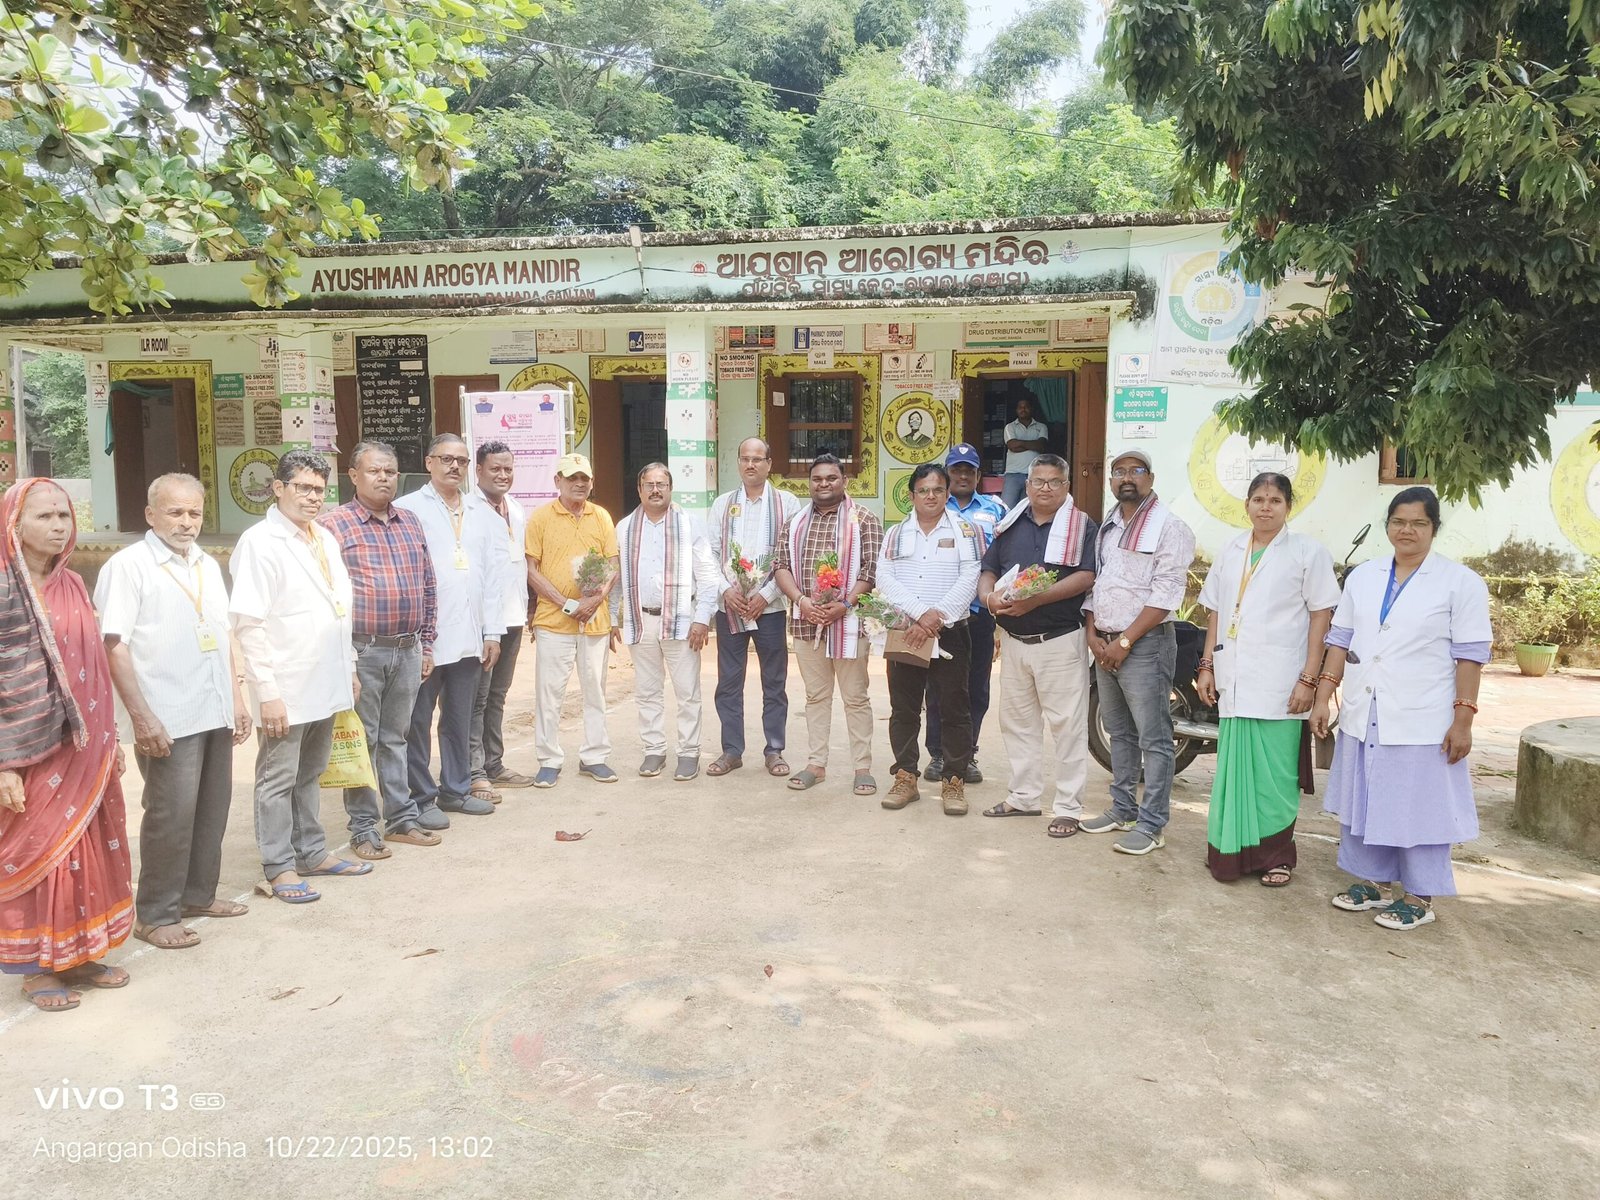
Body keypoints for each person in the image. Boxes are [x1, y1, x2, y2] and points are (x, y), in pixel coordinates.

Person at [1311, 487, 1491, 931]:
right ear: (1387, 525)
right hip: (1366, 707)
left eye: (1418, 523)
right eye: (1398, 521)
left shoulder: (1460, 582)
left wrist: (1463, 721)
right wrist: (1323, 696)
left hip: (1422, 713)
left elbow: (1470, 656)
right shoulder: (1363, 576)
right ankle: (1373, 882)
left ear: (1434, 528)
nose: (1407, 530)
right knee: (1368, 796)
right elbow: (1340, 640)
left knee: (1418, 805)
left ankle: (1418, 896)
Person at [97, 473, 252, 951]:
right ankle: (156, 914)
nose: (187, 522)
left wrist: (237, 699)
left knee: (211, 809)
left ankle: (197, 896)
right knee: (171, 814)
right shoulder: (128, 567)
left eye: (194, 513)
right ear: (150, 515)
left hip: (213, 707)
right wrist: (141, 717)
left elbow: (221, 635)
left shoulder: (206, 563)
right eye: (175, 512)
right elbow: (113, 645)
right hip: (167, 715)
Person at [0, 479, 134, 1010]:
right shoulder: (4, 590)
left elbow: (93, 667)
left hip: (85, 749)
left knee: (88, 850)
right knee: (39, 853)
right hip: (28, 751)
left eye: (63, 515)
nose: (58, 526)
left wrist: (110, 738)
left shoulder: (73, 584)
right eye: (44, 517)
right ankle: (38, 968)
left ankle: (80, 955)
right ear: (14, 525)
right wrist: (5, 764)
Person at [231, 450, 369, 904]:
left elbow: (340, 611)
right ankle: (279, 865)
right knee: (278, 778)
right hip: (285, 687)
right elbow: (249, 624)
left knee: (310, 772)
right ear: (278, 488)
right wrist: (267, 693)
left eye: (319, 489)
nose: (313, 497)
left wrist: (349, 668)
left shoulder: (323, 537)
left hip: (326, 678)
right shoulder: (260, 542)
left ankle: (311, 851)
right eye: (303, 487)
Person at [1195, 473, 1341, 886]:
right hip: (1234, 676)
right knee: (1234, 772)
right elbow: (1216, 612)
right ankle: (1229, 852)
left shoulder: (1308, 552)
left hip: (1282, 681)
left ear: (1288, 507)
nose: (1265, 507)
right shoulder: (1231, 550)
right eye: (1258, 499)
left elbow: (1321, 617)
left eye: (1275, 500)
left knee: (1276, 775)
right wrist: (1206, 665)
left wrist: (1309, 679)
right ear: (1246, 505)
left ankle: (1276, 857)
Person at [319, 441, 441, 858]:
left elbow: (428, 584)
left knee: (396, 738)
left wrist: (427, 643)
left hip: (407, 649)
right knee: (363, 739)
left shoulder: (410, 521)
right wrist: (344, 660)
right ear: (354, 476)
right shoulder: (333, 526)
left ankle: (402, 818)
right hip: (362, 651)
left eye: (390, 471)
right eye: (374, 471)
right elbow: (327, 597)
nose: (384, 478)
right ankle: (364, 828)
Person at [975, 455, 1099, 834]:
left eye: (1054, 481)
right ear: (1027, 486)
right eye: (1038, 481)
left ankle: (1068, 807)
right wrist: (989, 598)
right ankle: (1024, 797)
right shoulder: (1010, 523)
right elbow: (988, 569)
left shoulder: (1082, 526)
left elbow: (1087, 576)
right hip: (1015, 641)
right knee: (1017, 723)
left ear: (1066, 487)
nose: (1045, 488)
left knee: (1067, 726)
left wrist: (1036, 600)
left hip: (1059, 641)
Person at [1081, 449, 1197, 856]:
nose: (1126, 477)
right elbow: (1099, 584)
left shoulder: (1170, 527)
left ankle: (1151, 825)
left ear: (1151, 478)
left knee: (1155, 738)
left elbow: (1166, 594)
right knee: (1119, 732)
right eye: (1119, 471)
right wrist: (1093, 634)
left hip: (1144, 645)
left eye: (1136, 470)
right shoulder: (1109, 525)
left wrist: (1126, 641)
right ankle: (1122, 810)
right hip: (1105, 642)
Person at [395, 433, 506, 824]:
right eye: (446, 459)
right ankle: (421, 798)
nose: (454, 466)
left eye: (461, 460)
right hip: (425, 639)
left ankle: (456, 790)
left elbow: (493, 578)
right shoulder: (407, 509)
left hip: (469, 637)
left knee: (460, 719)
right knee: (417, 721)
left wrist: (492, 633)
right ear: (429, 463)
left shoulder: (481, 513)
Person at [774, 453, 884, 797]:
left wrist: (845, 604)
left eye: (831, 478)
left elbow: (872, 569)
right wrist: (802, 601)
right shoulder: (794, 523)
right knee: (816, 697)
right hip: (807, 624)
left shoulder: (864, 519)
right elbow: (780, 565)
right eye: (817, 479)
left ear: (844, 481)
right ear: (809, 483)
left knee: (855, 698)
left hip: (849, 624)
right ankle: (816, 765)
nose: (824, 484)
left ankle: (862, 768)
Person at [875, 463, 982, 815]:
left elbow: (970, 577)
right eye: (923, 490)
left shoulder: (965, 531)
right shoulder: (896, 533)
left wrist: (935, 618)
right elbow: (884, 578)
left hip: (951, 631)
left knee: (954, 709)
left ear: (947, 494)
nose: (930, 496)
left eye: (937, 490)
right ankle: (905, 777)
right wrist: (921, 615)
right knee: (904, 708)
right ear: (912, 496)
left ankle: (954, 780)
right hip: (907, 631)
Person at [611, 464, 721, 781]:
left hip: (682, 621)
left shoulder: (689, 524)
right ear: (639, 489)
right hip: (640, 619)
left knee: (687, 692)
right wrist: (612, 616)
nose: (656, 490)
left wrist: (702, 618)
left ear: (671, 488)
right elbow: (615, 577)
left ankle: (688, 753)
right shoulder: (625, 527)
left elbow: (708, 575)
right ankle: (654, 750)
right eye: (649, 484)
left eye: (662, 484)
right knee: (647, 691)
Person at [707, 438, 802, 779]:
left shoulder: (787, 503)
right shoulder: (723, 504)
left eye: (758, 459)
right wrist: (725, 590)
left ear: (769, 464)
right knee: (728, 682)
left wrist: (767, 594)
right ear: (738, 462)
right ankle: (732, 751)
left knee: (774, 682)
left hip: (770, 609)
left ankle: (774, 750)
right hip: (730, 606)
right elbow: (709, 555)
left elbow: (792, 555)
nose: (751, 464)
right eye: (745, 458)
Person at [525, 453, 621, 787]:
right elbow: (531, 570)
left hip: (595, 621)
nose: (579, 484)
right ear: (558, 481)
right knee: (549, 694)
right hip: (553, 621)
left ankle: (594, 756)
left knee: (595, 691)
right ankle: (549, 760)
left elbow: (612, 565)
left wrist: (594, 600)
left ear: (592, 482)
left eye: (584, 478)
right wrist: (566, 604)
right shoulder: (540, 517)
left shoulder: (602, 516)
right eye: (571, 478)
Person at [923, 442, 1007, 784]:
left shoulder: (996, 510)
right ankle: (938, 754)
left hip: (980, 613)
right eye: (955, 470)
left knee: (976, 687)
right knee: (938, 688)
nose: (961, 476)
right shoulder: (932, 507)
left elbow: (1005, 559)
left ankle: (967, 754)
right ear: (947, 474)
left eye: (968, 470)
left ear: (978, 475)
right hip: (941, 616)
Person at [468, 439, 535, 799]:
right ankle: (473, 770)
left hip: (513, 617)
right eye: (495, 468)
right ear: (478, 470)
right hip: (482, 623)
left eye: (508, 468)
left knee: (497, 695)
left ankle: (493, 764)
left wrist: (529, 609)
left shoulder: (517, 509)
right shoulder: (468, 510)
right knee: (476, 698)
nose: (503, 475)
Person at [1001, 392, 1050, 508]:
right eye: (1020, 407)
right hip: (1013, 474)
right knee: (1006, 507)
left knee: (1028, 509)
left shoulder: (1041, 427)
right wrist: (1032, 444)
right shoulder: (1010, 427)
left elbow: (1041, 446)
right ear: (1016, 410)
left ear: (1031, 409)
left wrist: (1020, 443)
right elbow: (1012, 446)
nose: (1023, 409)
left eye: (1026, 407)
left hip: (1034, 475)